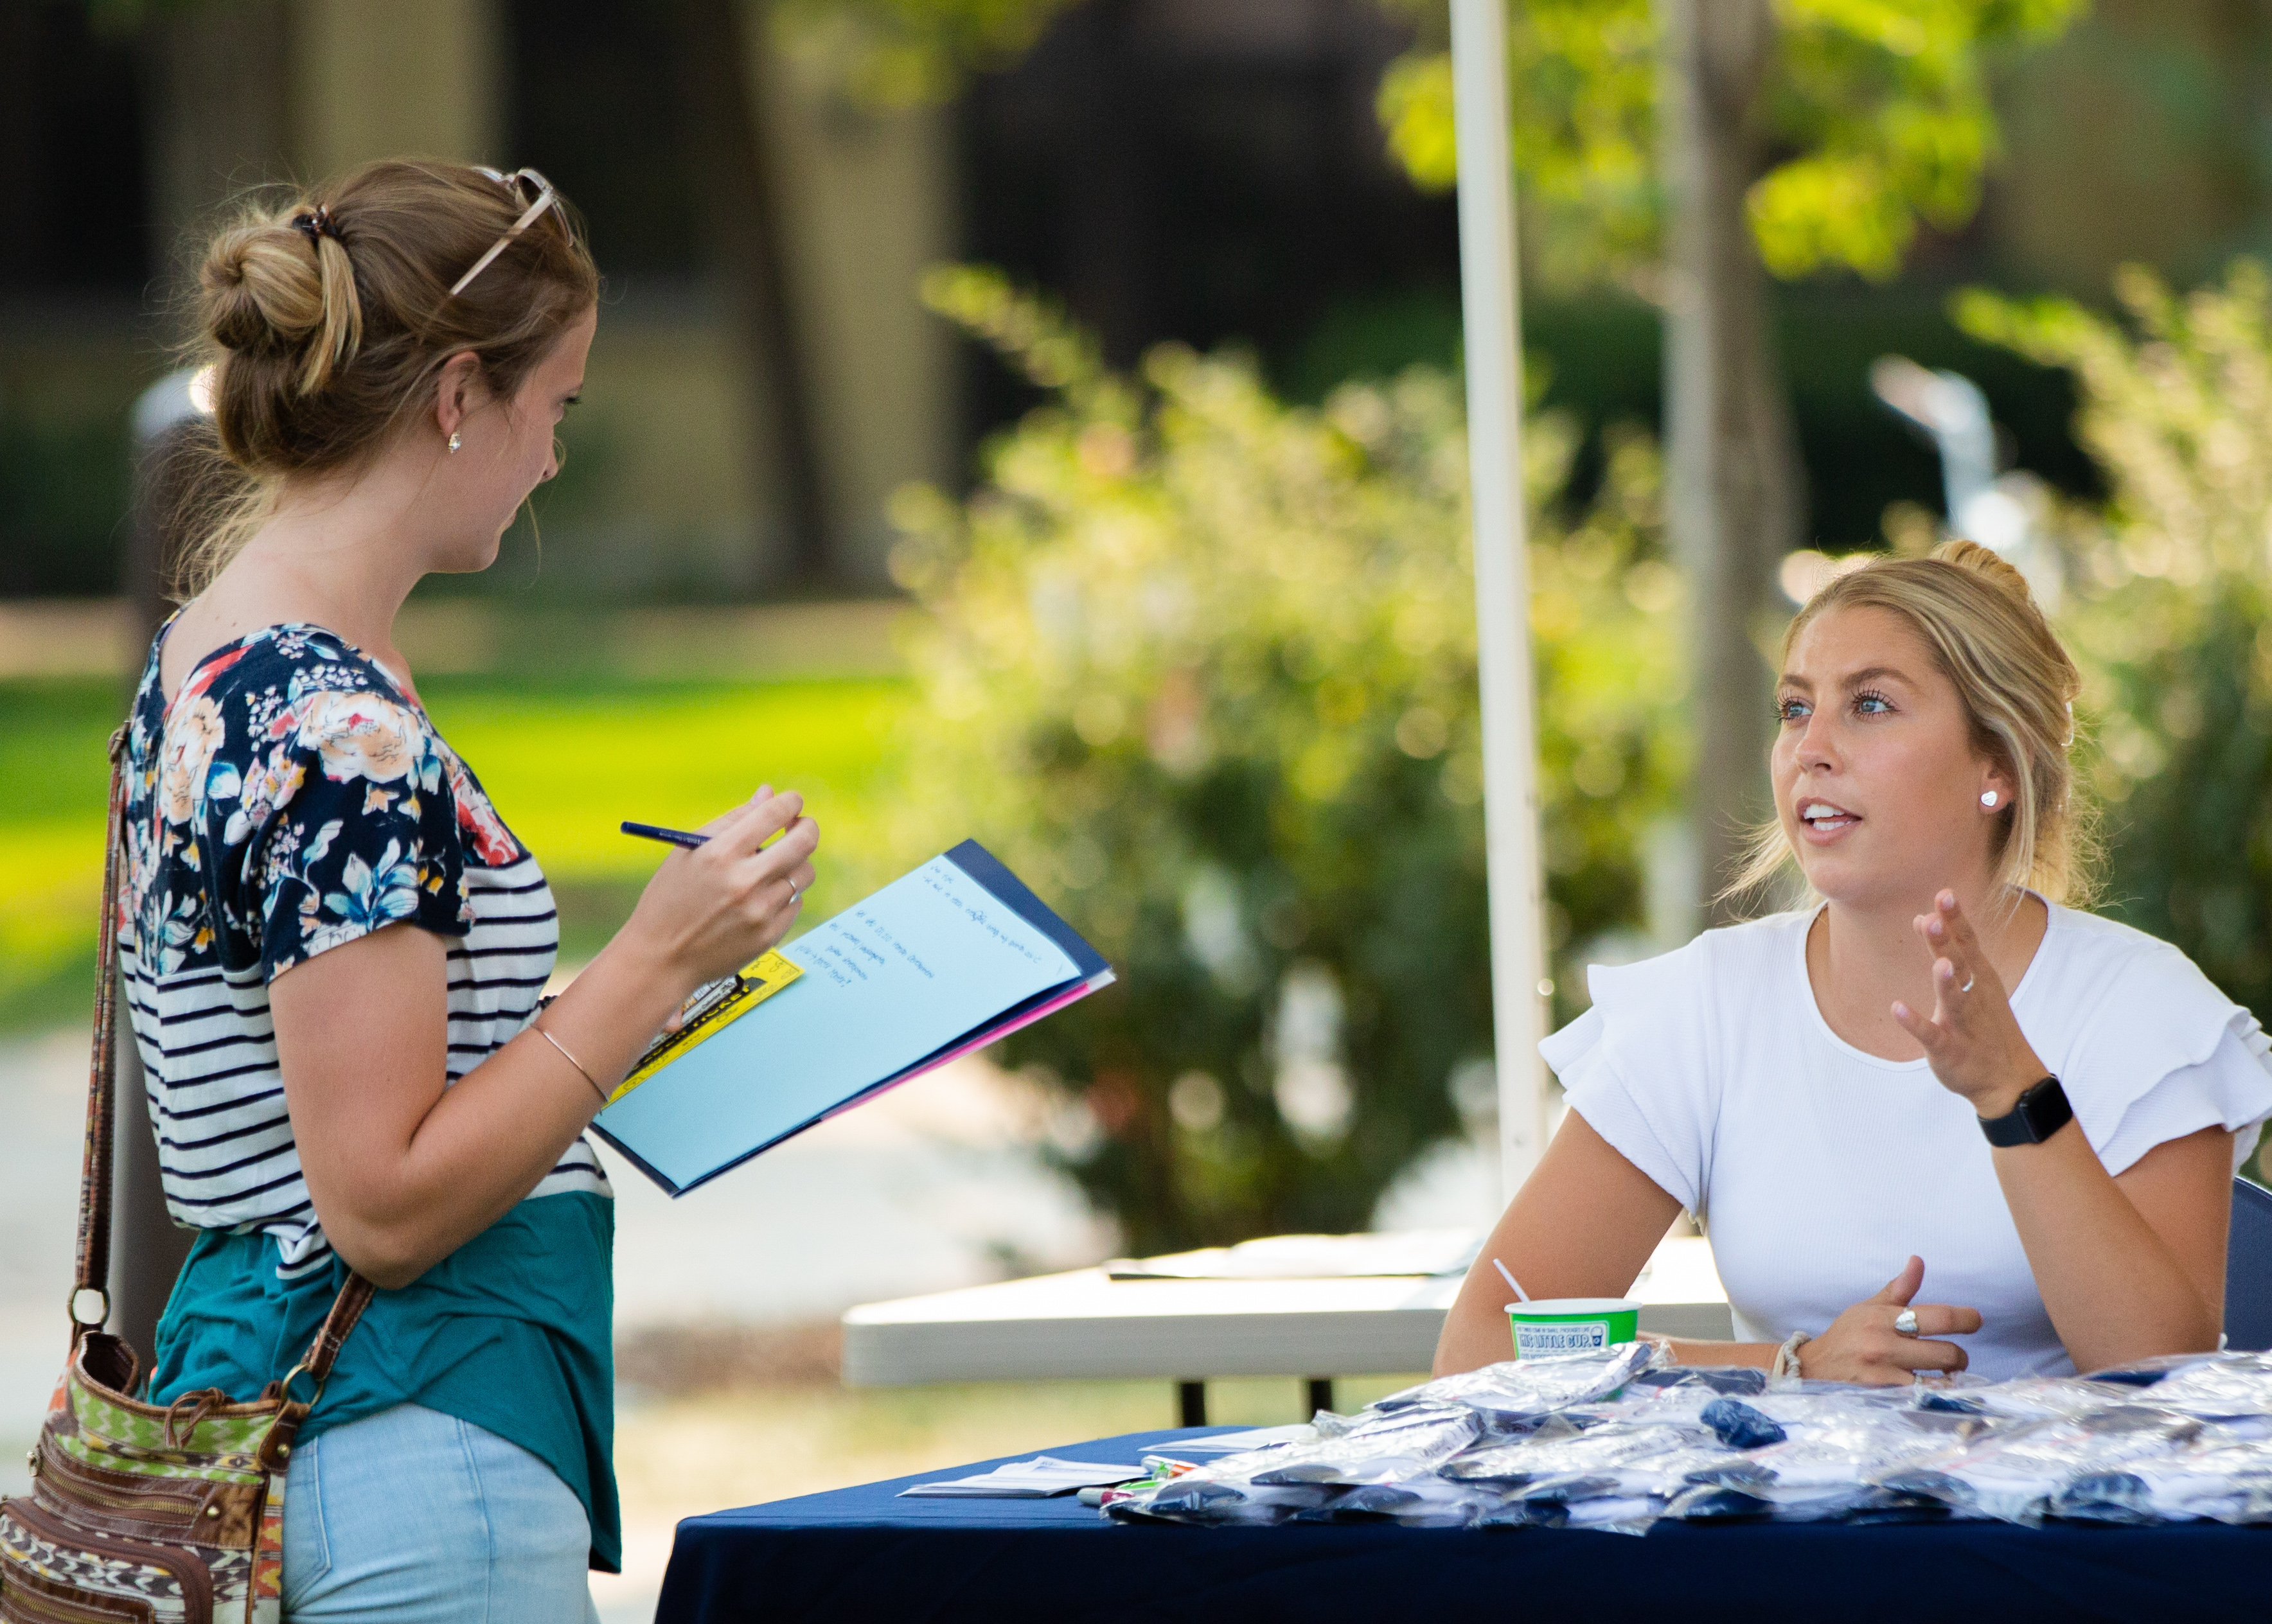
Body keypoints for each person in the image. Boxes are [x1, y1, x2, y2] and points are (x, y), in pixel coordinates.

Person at [123, 160, 817, 1621]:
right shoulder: (340, 727)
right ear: (457, 395)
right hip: (403, 1432)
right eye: (552, 407)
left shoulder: (217, 654)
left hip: (303, 1413)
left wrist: (654, 991)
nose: (554, 458)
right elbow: (380, 1201)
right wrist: (650, 961)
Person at [1435, 540, 2272, 1384]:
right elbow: (1482, 1347)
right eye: (1795, 709)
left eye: (1869, 705)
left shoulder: (2141, 1010)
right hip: (1781, 1517)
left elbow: (2163, 1378)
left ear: (1998, 763)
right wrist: (1789, 1368)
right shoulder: (1709, 1005)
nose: (1811, 749)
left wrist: (2014, 1095)